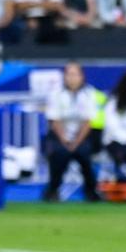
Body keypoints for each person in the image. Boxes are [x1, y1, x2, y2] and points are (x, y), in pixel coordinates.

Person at [42, 62, 101, 203]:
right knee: (59, 154)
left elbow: (88, 122)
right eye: (69, 74)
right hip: (60, 136)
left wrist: (76, 143)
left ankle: (91, 192)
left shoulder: (89, 94)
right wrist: (65, 141)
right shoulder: (56, 94)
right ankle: (52, 191)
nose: (72, 78)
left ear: (82, 76)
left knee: (85, 154)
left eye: (75, 74)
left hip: (82, 136)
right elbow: (54, 120)